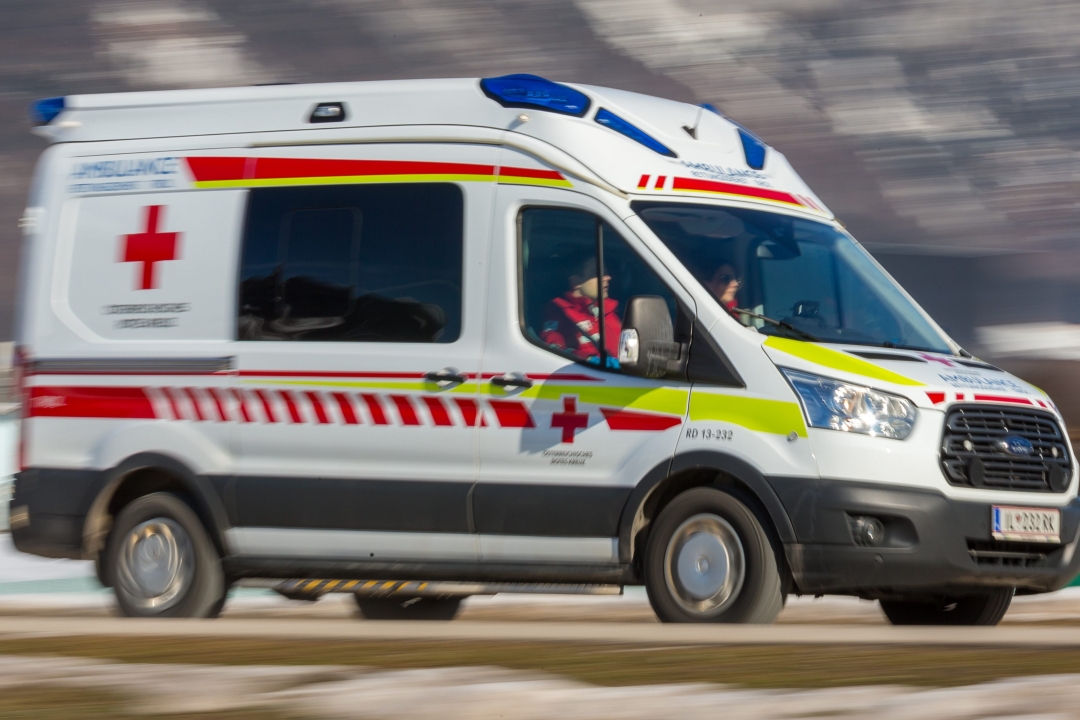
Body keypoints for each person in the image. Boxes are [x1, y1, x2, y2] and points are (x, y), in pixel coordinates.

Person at [540, 256, 621, 362]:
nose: (607, 277)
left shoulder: (611, 310)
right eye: (597, 273)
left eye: (605, 273)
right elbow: (552, 348)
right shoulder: (559, 313)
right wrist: (588, 359)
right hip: (592, 375)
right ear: (576, 282)